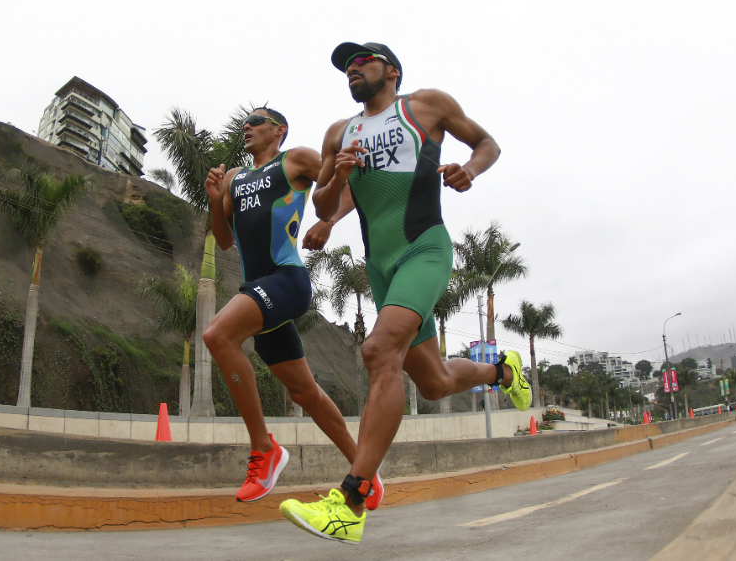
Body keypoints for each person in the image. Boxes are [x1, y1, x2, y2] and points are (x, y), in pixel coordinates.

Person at [279, 43, 532, 544]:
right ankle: (503, 370)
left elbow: (487, 143)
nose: (352, 68)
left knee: (379, 350)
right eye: (346, 66)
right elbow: (325, 198)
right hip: (381, 267)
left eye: (362, 61)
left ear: (390, 70)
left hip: (424, 248)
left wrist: (470, 170)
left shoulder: (425, 105)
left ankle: (351, 502)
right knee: (434, 382)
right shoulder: (339, 133)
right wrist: (334, 202)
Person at [202, 108, 382, 507]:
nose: (247, 126)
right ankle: (363, 471)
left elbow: (348, 184)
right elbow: (224, 240)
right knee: (306, 393)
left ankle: (263, 449)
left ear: (279, 130)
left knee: (217, 335)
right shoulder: (234, 177)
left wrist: (330, 221)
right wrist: (216, 201)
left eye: (257, 120)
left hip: (286, 281)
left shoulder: (295, 159)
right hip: (257, 288)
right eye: (245, 122)